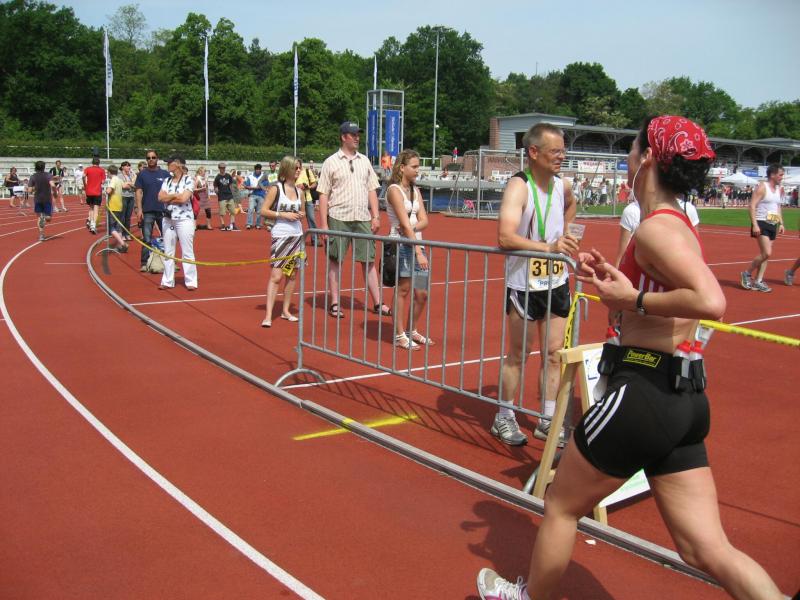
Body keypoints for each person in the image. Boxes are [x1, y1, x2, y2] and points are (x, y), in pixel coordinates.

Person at [476, 116, 781, 600]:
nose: (628, 160)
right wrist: (620, 285)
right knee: (705, 549)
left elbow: (711, 301)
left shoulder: (657, 228)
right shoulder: (676, 223)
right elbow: (667, 293)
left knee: (560, 504)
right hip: (682, 397)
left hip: (645, 391)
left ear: (650, 159)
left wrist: (633, 300)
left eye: (633, 152)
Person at [490, 122, 578, 447]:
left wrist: (566, 232)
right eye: (555, 151)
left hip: (556, 281)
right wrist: (549, 247)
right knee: (519, 354)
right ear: (534, 152)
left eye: (563, 151)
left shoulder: (562, 184)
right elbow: (504, 237)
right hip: (524, 284)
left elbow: (571, 203)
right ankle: (504, 416)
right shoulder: (519, 186)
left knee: (554, 354)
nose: (561, 157)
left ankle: (547, 420)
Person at [318, 121, 390, 319]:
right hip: (338, 217)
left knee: (368, 260)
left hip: (362, 218)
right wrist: (323, 224)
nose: (357, 137)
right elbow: (323, 194)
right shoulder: (330, 162)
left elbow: (372, 189)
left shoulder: (364, 161)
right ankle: (334, 302)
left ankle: (378, 303)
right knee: (335, 260)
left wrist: (376, 216)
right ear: (344, 137)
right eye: (353, 134)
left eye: (358, 134)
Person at [385, 149, 433, 350]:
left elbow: (424, 220)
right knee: (403, 289)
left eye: (418, 166)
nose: (417, 170)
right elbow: (403, 224)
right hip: (402, 247)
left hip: (417, 244)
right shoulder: (394, 190)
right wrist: (418, 252)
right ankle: (399, 335)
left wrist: (411, 230)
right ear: (402, 167)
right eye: (414, 166)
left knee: (422, 293)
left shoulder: (416, 190)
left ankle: (411, 329)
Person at [260, 156, 305, 327]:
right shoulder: (276, 188)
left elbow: (302, 212)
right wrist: (282, 214)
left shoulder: (300, 192)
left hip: (297, 237)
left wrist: (300, 214)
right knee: (276, 276)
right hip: (281, 237)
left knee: (291, 275)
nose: (299, 170)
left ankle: (286, 310)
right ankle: (268, 315)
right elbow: (264, 210)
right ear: (287, 169)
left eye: (300, 168)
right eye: (296, 168)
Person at [615, 195, 700, 267]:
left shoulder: (688, 209)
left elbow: (696, 255)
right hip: (638, 274)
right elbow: (622, 254)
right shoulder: (632, 210)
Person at [740, 164, 785, 293]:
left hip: (773, 223)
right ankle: (746, 273)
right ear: (772, 175)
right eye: (780, 175)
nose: (782, 177)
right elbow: (752, 206)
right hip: (761, 222)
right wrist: (754, 224)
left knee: (765, 255)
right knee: (767, 253)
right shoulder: (762, 187)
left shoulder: (778, 189)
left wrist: (781, 223)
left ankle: (758, 281)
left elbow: (777, 207)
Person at [157, 155, 197, 290]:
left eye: (170, 162)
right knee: (168, 251)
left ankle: (191, 281)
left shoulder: (188, 180)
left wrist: (169, 197)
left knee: (187, 251)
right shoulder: (167, 180)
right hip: (168, 219)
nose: (167, 164)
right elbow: (160, 197)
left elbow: (183, 199)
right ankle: (167, 281)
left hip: (184, 219)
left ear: (178, 164)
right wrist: (175, 195)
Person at [134, 150, 169, 271]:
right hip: (147, 210)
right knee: (147, 239)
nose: (151, 159)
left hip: (163, 211)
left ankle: (170, 262)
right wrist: (139, 209)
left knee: (167, 238)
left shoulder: (165, 174)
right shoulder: (142, 174)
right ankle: (144, 263)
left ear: (157, 158)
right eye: (148, 158)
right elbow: (138, 192)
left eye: (153, 157)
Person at [27, 161, 55, 242]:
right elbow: (53, 185)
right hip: (47, 199)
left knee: (39, 217)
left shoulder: (33, 177)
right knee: (48, 218)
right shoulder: (48, 175)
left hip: (38, 199)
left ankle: (41, 235)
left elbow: (29, 191)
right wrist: (55, 192)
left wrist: (33, 188)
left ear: (36, 167)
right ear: (44, 167)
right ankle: (46, 217)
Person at [104, 165, 129, 251]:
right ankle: (120, 246)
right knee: (118, 227)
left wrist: (106, 190)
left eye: (107, 173)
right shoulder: (119, 179)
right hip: (120, 205)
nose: (107, 174)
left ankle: (123, 243)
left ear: (109, 172)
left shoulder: (113, 180)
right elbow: (125, 186)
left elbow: (109, 191)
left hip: (113, 206)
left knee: (111, 227)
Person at [295, 158, 319, 245]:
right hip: (296, 199)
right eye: (296, 167)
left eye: (299, 166)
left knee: (311, 219)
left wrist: (308, 187)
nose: (298, 169)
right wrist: (297, 186)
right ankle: (297, 239)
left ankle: (315, 239)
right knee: (297, 220)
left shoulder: (307, 171)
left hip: (308, 198)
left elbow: (314, 183)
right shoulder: (291, 173)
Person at [83, 157, 106, 235]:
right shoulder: (102, 170)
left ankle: (91, 222)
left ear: (92, 162)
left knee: (91, 208)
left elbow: (83, 176)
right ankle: (93, 225)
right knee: (96, 209)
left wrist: (85, 184)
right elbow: (103, 181)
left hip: (89, 191)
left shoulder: (87, 169)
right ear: (99, 163)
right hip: (97, 192)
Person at [213, 162, 237, 231]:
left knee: (233, 211)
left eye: (224, 168)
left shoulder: (228, 176)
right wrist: (217, 192)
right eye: (221, 168)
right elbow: (215, 187)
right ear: (219, 168)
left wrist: (233, 194)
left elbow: (231, 185)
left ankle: (232, 223)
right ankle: (223, 224)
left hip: (229, 196)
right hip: (222, 197)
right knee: (222, 212)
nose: (223, 169)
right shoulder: (217, 177)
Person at [245, 163, 268, 230]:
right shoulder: (250, 176)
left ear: (261, 169)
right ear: (255, 170)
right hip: (252, 195)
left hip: (261, 195)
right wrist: (255, 187)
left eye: (259, 169)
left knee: (259, 211)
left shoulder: (264, 176)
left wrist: (252, 187)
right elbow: (246, 185)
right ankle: (249, 224)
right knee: (250, 209)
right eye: (257, 169)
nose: (258, 170)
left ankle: (258, 224)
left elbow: (263, 185)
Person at [119, 161, 136, 240]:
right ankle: (122, 234)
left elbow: (135, 186)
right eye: (126, 166)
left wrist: (129, 183)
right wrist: (131, 184)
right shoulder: (120, 175)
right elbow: (123, 186)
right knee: (122, 216)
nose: (128, 167)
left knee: (128, 217)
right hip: (123, 197)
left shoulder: (131, 175)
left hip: (131, 197)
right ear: (122, 167)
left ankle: (127, 233)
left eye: (129, 166)